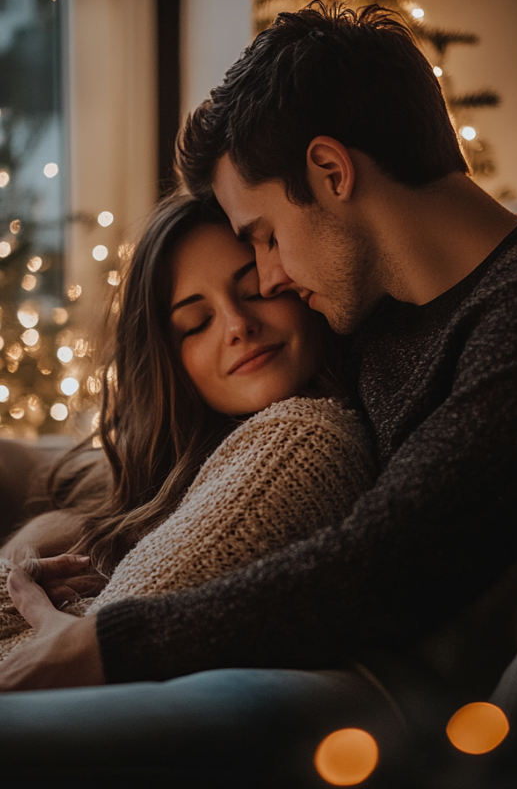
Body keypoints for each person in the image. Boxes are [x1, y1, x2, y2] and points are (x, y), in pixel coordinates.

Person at [1, 0, 517, 699]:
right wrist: (52, 533)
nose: (270, 276)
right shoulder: (379, 311)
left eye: (262, 234)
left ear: (331, 171)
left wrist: (108, 645)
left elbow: (390, 562)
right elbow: (171, 461)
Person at [0, 192, 373, 662]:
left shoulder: (298, 441)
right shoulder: (188, 471)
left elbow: (79, 654)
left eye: (256, 290)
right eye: (197, 322)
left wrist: (10, 579)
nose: (237, 325)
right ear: (171, 366)